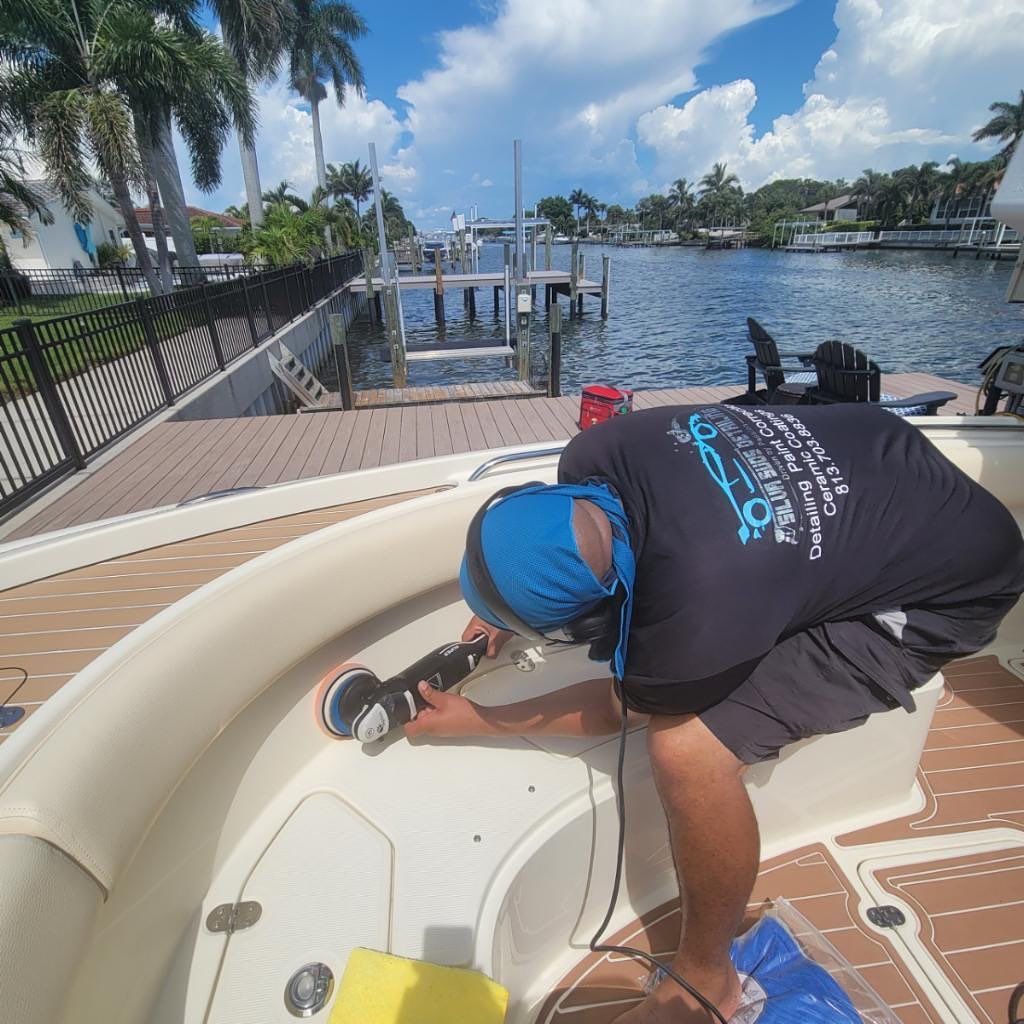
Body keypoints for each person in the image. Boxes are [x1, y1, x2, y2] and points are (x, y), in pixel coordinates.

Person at [404, 403, 1024, 1024]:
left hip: (951, 589)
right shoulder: (599, 451)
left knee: (686, 750)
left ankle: (707, 978)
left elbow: (615, 710)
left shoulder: (699, 619)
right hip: (892, 468)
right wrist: (511, 595)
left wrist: (478, 719)